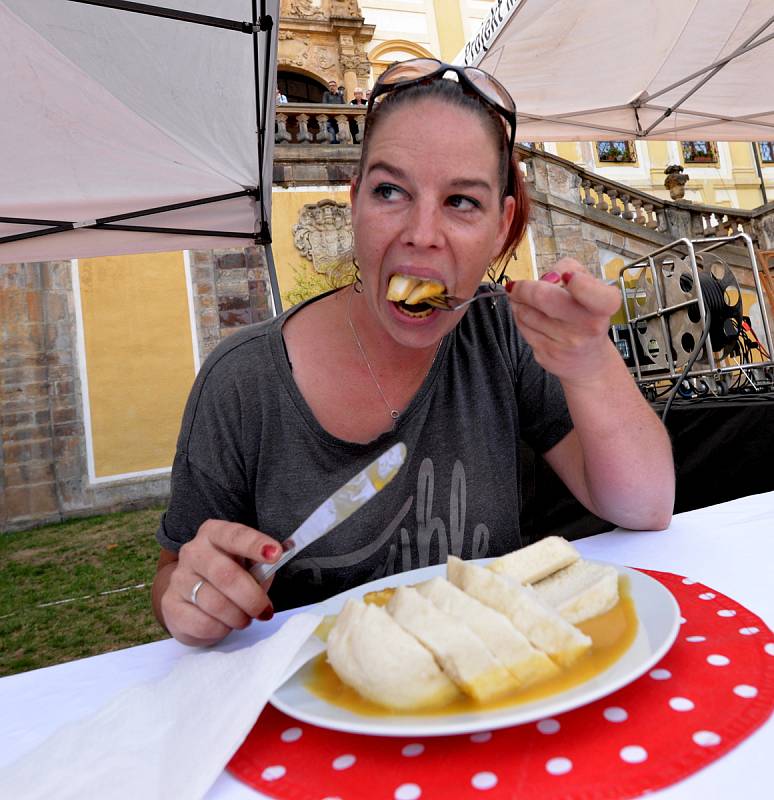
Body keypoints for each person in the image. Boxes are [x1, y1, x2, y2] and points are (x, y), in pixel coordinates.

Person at [152, 59, 675, 647]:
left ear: (503, 228)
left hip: (493, 690)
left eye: (461, 202)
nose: (422, 233)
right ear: (355, 204)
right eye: (391, 191)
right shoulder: (242, 381)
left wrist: (590, 362)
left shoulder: (501, 337)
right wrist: (193, 595)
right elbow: (177, 572)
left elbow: (646, 504)